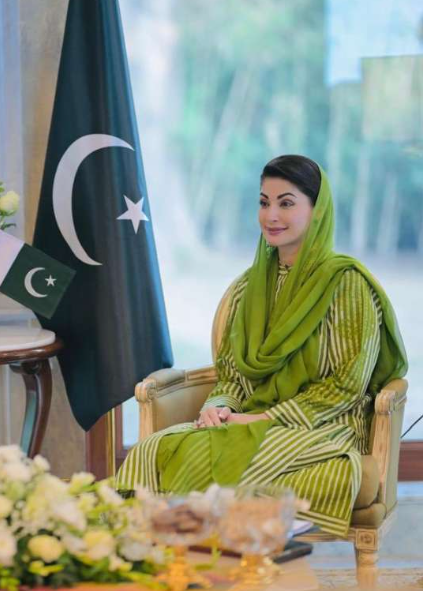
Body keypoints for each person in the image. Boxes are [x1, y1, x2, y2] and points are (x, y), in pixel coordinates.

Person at [115, 155, 407, 535]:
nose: (271, 215)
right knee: (151, 450)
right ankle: (167, 555)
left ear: (317, 210)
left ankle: (234, 544)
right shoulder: (247, 288)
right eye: (264, 202)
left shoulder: (347, 285)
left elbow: (345, 388)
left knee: (248, 463)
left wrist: (260, 420)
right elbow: (233, 376)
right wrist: (219, 407)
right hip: (246, 420)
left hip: (323, 425)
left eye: (286, 203)